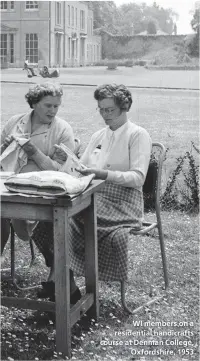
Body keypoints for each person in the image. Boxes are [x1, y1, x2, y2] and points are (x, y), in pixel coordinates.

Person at [31, 83, 152, 304]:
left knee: (67, 219)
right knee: (48, 220)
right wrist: (67, 160)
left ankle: (62, 285)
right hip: (93, 193)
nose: (105, 115)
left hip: (123, 202)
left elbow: (138, 178)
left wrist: (103, 174)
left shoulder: (137, 135)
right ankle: (65, 283)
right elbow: (81, 167)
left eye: (110, 110)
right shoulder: (99, 135)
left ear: (124, 107)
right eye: (101, 109)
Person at [1, 82, 75, 255]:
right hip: (8, 188)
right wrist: (3, 149)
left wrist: (33, 151)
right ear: (34, 103)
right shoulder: (14, 122)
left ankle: (58, 273)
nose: (53, 111)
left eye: (56, 106)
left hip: (42, 195)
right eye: (48, 105)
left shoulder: (63, 130)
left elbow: (61, 173)